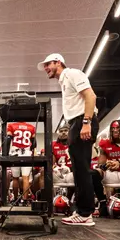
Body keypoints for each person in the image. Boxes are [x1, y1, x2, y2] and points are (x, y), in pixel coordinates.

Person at [38, 53, 98, 226]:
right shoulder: (64, 81)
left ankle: (86, 213)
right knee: (78, 170)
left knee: (82, 169)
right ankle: (81, 211)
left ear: (58, 62)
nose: (46, 69)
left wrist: (86, 122)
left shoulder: (72, 73)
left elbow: (91, 96)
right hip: (76, 122)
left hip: (82, 121)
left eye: (48, 64)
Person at [6, 121, 36, 204]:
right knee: (25, 177)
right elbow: (34, 143)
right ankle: (25, 200)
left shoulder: (11, 125)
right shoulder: (31, 127)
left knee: (15, 178)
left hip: (15, 152)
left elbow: (8, 140)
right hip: (26, 152)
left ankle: (16, 199)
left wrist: (6, 154)